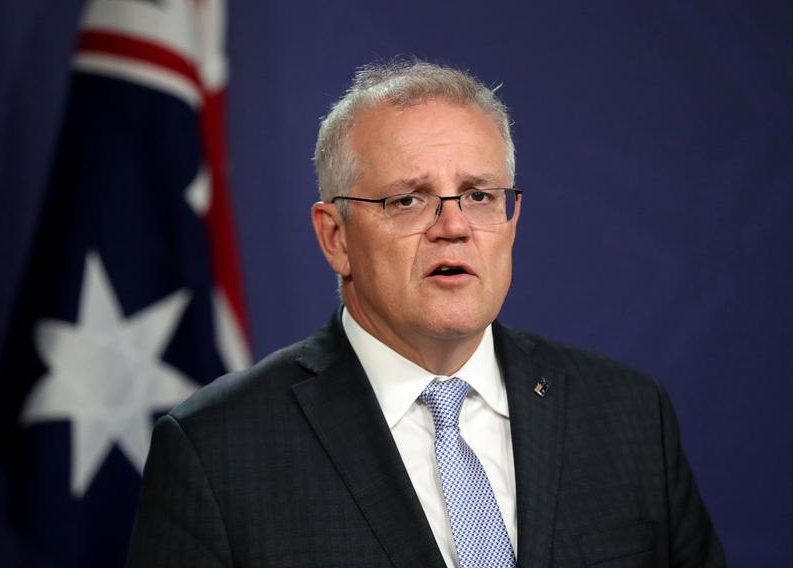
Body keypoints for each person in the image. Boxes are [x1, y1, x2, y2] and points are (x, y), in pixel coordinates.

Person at [126, 59, 725, 567]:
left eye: (480, 195)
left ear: (511, 222)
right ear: (335, 237)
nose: (454, 227)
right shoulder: (217, 450)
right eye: (408, 200)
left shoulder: (630, 415)